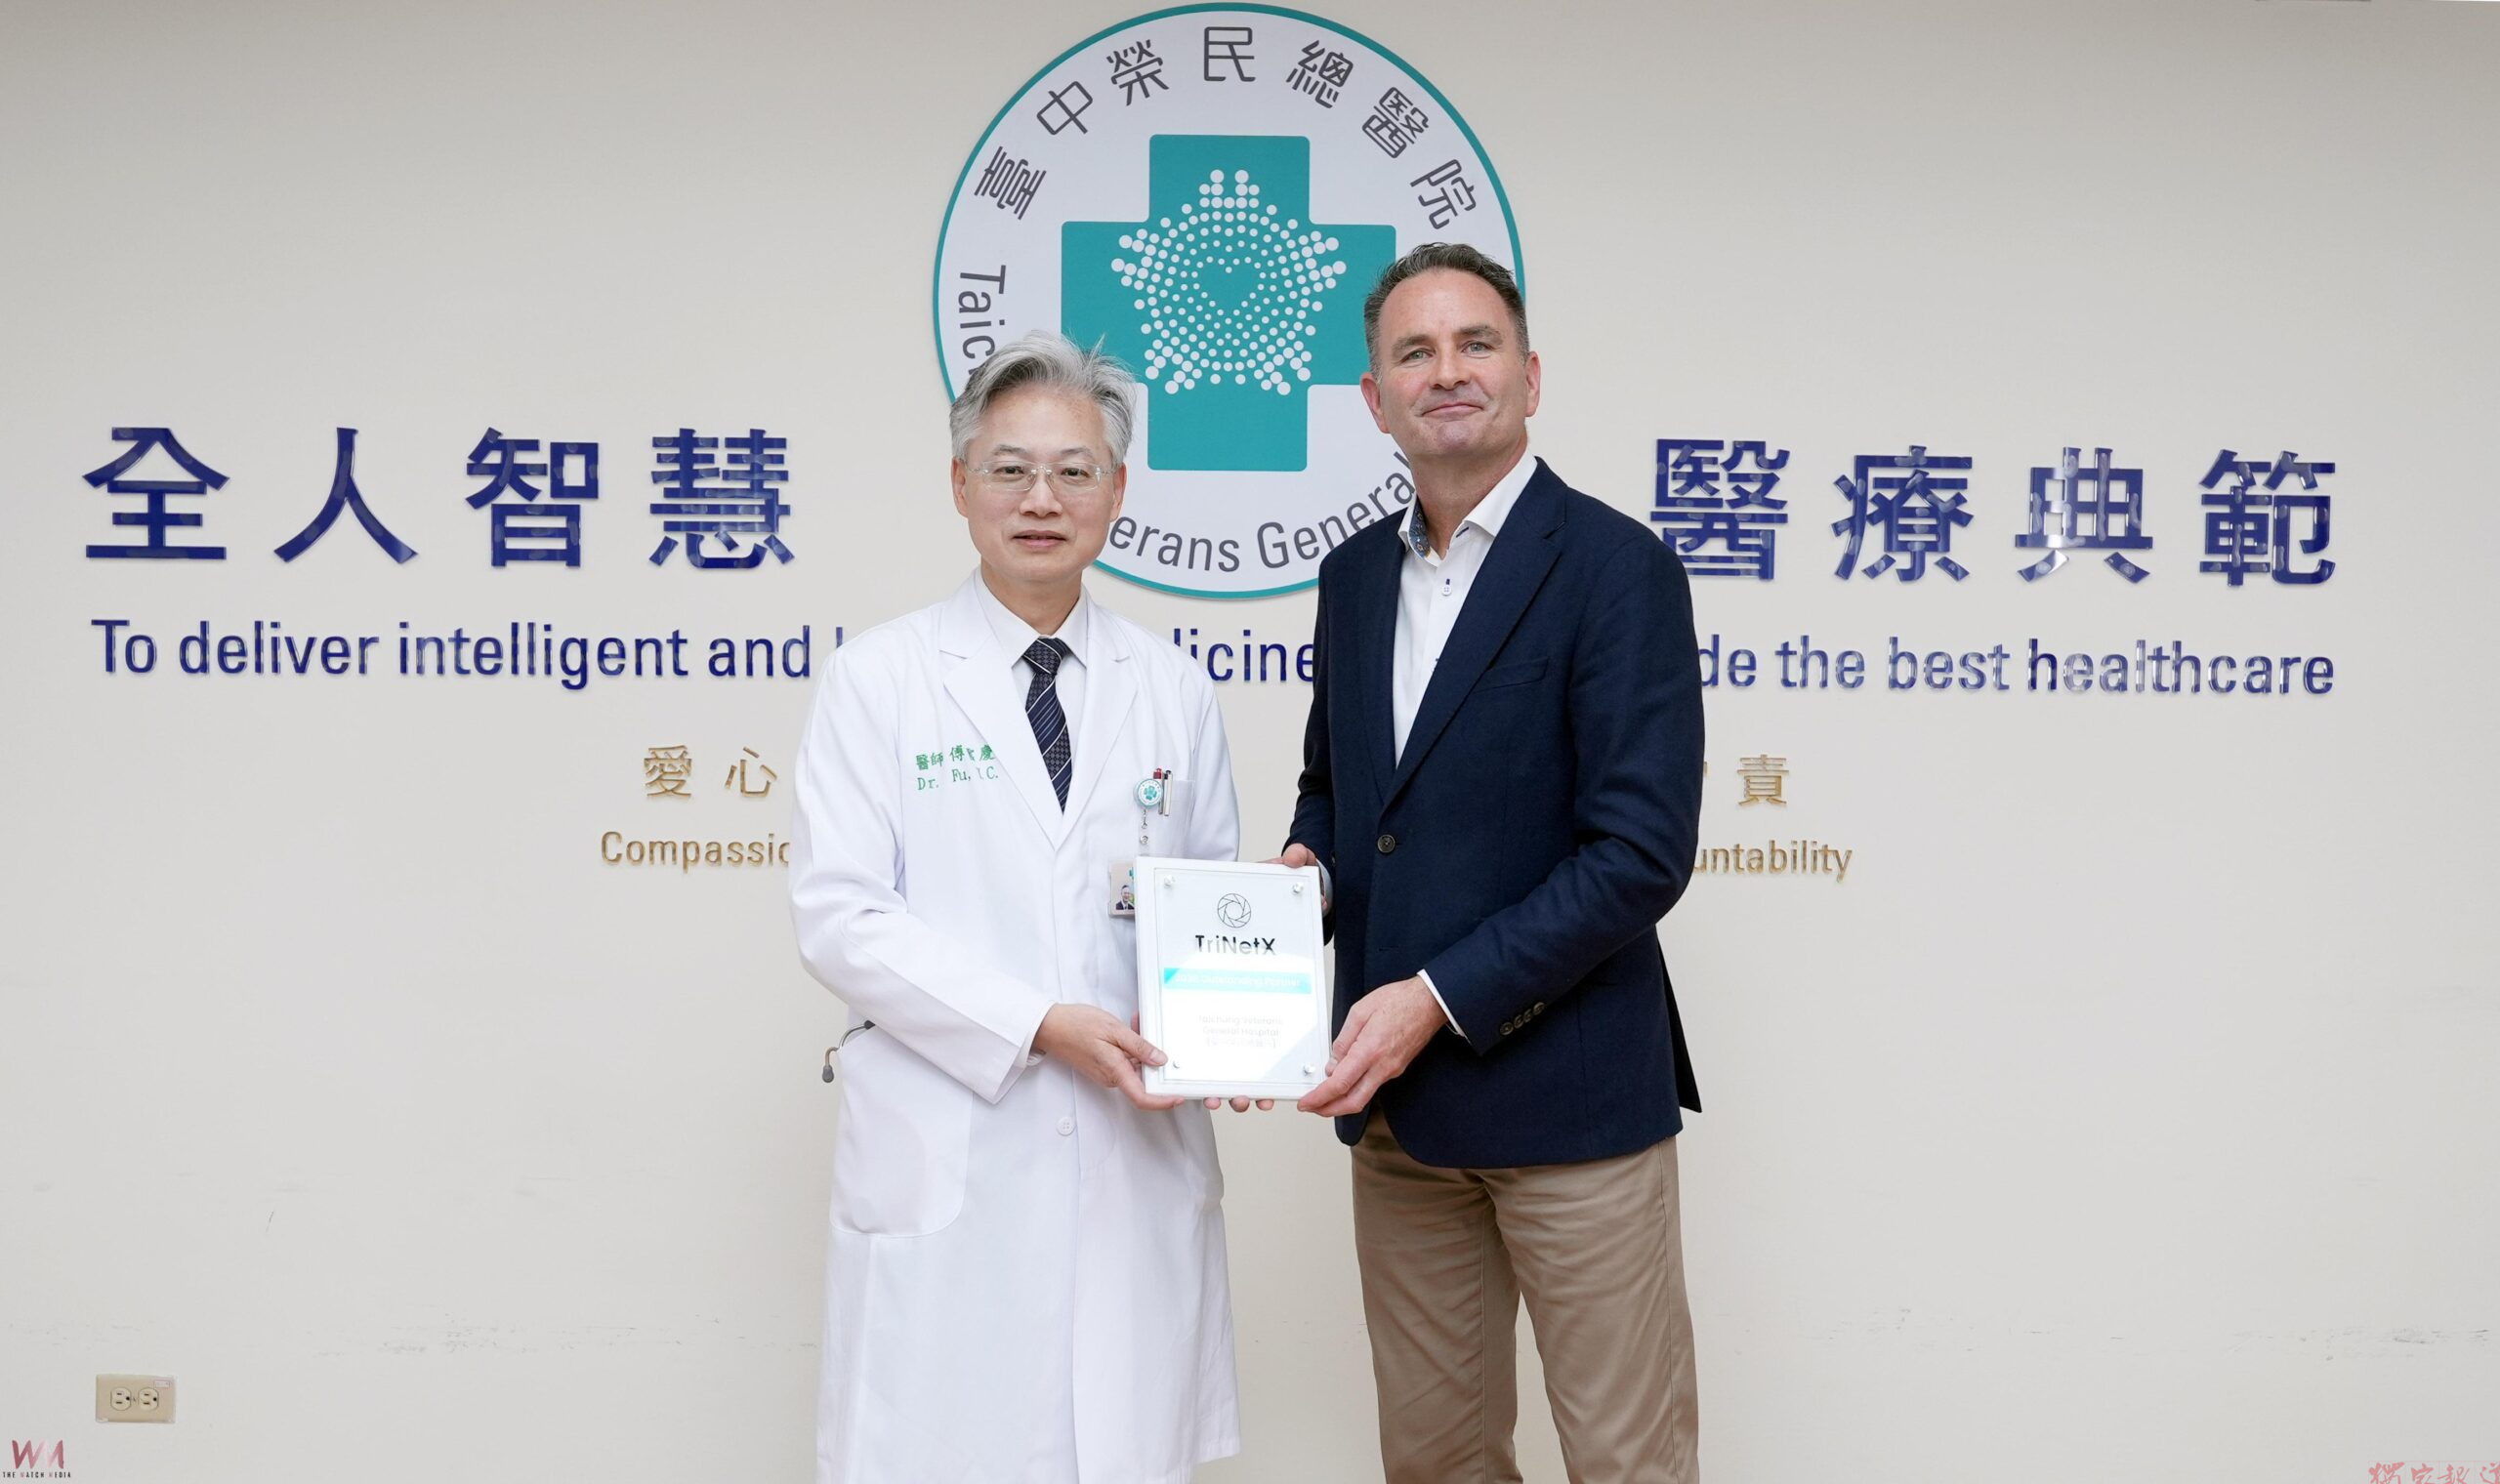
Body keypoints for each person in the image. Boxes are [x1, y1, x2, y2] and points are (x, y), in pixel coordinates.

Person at [1281, 243, 1707, 1483]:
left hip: (1572, 1107)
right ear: (1376, 399)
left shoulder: (1618, 568)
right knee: (1434, 1460)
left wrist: (1434, 996)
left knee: (1625, 1461)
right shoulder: (1353, 577)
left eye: (1476, 343)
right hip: (1403, 1120)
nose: (1448, 370)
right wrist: (1300, 880)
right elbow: (1340, 789)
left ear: (1530, 375)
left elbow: (1638, 853)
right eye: (1414, 352)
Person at [789, 331, 1243, 1484]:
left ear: (1116, 492)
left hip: (1132, 1152)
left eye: (1074, 470)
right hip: (953, 1143)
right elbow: (842, 916)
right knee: (943, 1442)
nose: (1042, 498)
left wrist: (1237, 1020)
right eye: (1009, 468)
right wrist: (1036, 1021)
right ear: (960, 484)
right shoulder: (879, 679)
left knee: (1123, 1443)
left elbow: (1206, 901)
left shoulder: (1173, 687)